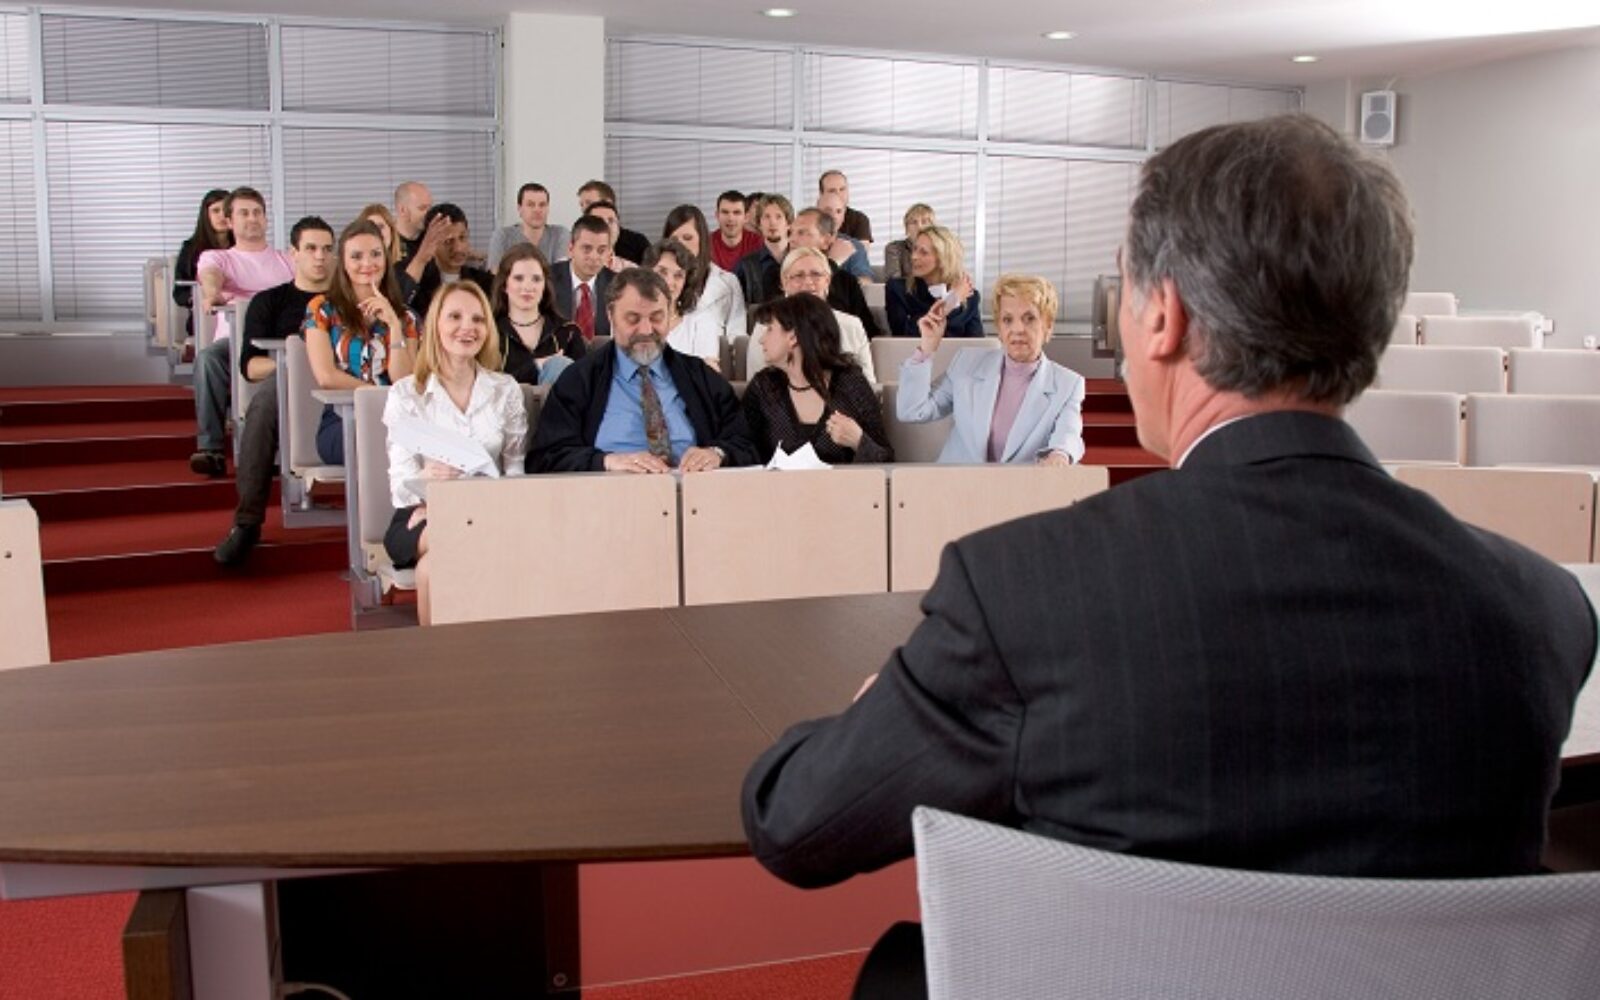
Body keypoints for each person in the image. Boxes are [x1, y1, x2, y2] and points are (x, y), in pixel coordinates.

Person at [741, 115, 1597, 998]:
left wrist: (885, 709)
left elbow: (794, 822)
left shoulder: (1023, 591)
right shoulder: (1543, 608)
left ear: (1164, 316)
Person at [383, 282, 528, 626]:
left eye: (478, 319)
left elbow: (515, 470)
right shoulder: (406, 394)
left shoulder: (505, 389)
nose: (468, 327)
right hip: (421, 514)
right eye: (455, 317)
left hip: (493, 509)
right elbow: (400, 486)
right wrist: (427, 481)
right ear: (435, 324)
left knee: (434, 566)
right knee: (445, 538)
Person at [526, 268, 758, 474]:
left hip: (692, 496)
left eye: (657, 318)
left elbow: (748, 444)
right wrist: (605, 461)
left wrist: (717, 453)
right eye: (633, 319)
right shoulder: (578, 380)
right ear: (610, 316)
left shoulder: (701, 377)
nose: (646, 330)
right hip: (609, 497)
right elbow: (545, 457)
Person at [212, 217, 335, 567]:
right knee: (264, 403)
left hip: (340, 378)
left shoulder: (346, 300)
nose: (320, 256)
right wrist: (298, 365)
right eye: (311, 248)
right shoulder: (269, 301)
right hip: (285, 378)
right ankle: (247, 522)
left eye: (327, 249)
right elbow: (250, 367)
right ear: (293, 253)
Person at [896, 274, 1084, 465]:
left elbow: (1068, 434)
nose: (1018, 329)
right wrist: (927, 347)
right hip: (958, 481)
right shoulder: (967, 363)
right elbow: (912, 411)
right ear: (999, 328)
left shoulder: (1068, 384)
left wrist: (1060, 454)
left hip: (1021, 483)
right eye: (1007, 320)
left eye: (1029, 319)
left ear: (1048, 326)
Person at [190, 187, 295, 478]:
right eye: (244, 213)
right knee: (208, 358)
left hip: (281, 341)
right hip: (234, 341)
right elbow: (210, 275)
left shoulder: (288, 260)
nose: (252, 218)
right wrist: (213, 293)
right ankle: (211, 449)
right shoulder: (218, 257)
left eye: (257, 212)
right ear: (229, 221)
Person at [304, 219, 420, 465]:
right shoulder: (322, 309)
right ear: (343, 263)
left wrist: (394, 326)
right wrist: (376, 397)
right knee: (383, 442)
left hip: (397, 418)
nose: (367, 264)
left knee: (411, 442)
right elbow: (326, 376)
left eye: (376, 254)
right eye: (356, 256)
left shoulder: (406, 317)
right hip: (343, 418)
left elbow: (404, 382)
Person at [742, 293, 891, 465]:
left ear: (793, 337)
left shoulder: (850, 383)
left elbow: (886, 460)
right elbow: (742, 451)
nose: (761, 340)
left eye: (770, 329)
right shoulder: (763, 387)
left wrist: (858, 441)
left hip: (841, 483)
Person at [748, 248, 876, 383]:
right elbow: (756, 383)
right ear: (784, 283)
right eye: (799, 276)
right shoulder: (766, 326)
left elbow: (868, 383)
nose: (808, 282)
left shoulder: (851, 325)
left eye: (816, 274)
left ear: (827, 281)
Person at [491, 243, 586, 387]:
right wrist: (536, 366)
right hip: (504, 401)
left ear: (544, 285)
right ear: (505, 284)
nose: (528, 287)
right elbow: (485, 388)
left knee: (559, 365)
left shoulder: (568, 332)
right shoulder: (488, 333)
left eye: (536, 279)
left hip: (560, 400)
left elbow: (586, 386)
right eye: (518, 278)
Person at [787, 209, 883, 337]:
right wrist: (833, 263)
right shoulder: (778, 275)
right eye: (790, 233)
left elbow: (867, 331)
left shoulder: (846, 281)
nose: (791, 240)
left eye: (802, 233)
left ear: (826, 241)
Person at [662, 204, 747, 341]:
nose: (681, 245)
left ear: (702, 240)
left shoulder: (728, 282)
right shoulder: (657, 283)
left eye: (687, 238)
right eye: (674, 240)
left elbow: (737, 337)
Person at [884, 225, 982, 337]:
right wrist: (951, 302)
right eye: (914, 249)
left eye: (923, 252)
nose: (913, 257)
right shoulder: (897, 289)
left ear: (943, 259)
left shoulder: (970, 296)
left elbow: (976, 343)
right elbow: (904, 335)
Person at [642, 239, 722, 371]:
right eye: (662, 272)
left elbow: (707, 376)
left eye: (678, 275)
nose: (669, 282)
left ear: (686, 283)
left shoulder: (702, 321)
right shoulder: (630, 318)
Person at [406, 203, 493, 321]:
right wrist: (421, 258)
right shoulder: (417, 284)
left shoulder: (485, 283)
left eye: (462, 238)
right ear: (431, 243)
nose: (458, 248)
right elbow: (399, 304)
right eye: (448, 241)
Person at [172, 188, 232, 338]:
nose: (222, 216)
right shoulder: (191, 248)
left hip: (237, 313)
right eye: (215, 211)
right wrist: (198, 298)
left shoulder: (243, 246)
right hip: (204, 317)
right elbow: (179, 293)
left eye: (226, 210)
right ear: (206, 216)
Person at [549, 215, 614, 341]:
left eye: (601, 250)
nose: (594, 257)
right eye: (587, 249)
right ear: (571, 249)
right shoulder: (548, 280)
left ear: (609, 253)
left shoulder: (616, 284)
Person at [487, 182, 570, 271]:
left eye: (542, 205)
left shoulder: (560, 234)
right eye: (530, 205)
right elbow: (496, 273)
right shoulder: (502, 236)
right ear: (519, 209)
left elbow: (561, 273)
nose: (537, 210)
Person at [576, 180, 650, 263]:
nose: (584, 209)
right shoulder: (578, 240)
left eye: (589, 203)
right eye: (581, 205)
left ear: (608, 203)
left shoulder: (637, 243)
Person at [357, 202, 416, 300]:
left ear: (391, 231)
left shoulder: (407, 265)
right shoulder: (357, 269)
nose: (377, 232)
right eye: (371, 227)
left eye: (381, 227)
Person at [817, 192, 872, 281]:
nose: (834, 216)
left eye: (839, 211)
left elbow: (865, 280)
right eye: (828, 211)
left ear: (843, 216)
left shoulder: (855, 246)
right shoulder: (805, 242)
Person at [710, 190, 764, 272]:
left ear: (746, 217)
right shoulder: (706, 244)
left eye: (736, 213)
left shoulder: (758, 243)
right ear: (717, 216)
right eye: (725, 212)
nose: (730, 218)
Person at [883, 203, 934, 282]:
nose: (919, 227)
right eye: (914, 222)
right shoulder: (894, 248)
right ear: (906, 228)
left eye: (924, 222)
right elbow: (894, 283)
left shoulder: (941, 248)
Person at [819, 170, 873, 243]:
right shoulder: (811, 219)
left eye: (842, 189)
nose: (839, 194)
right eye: (832, 191)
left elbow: (862, 249)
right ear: (821, 194)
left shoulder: (859, 219)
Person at [392, 181, 433, 262]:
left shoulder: (432, 238)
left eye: (430, 208)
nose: (429, 213)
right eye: (422, 208)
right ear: (403, 211)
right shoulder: (388, 243)